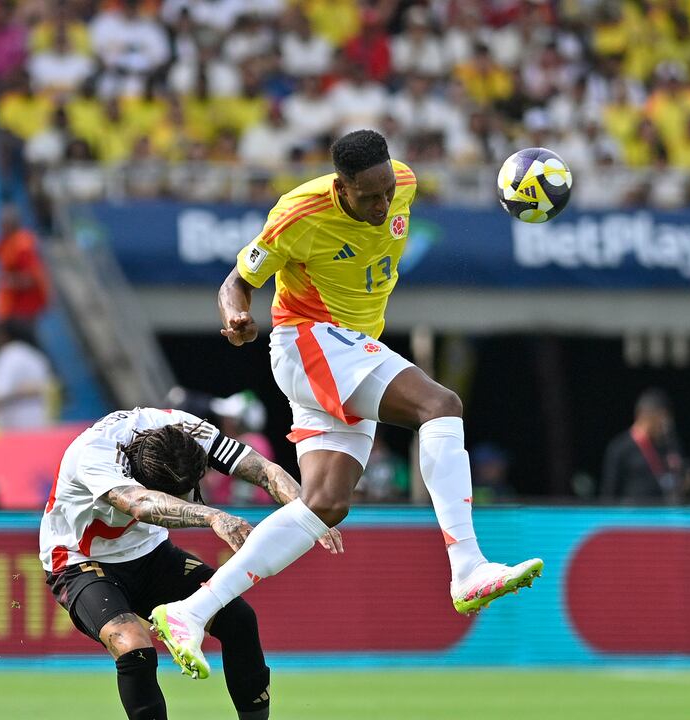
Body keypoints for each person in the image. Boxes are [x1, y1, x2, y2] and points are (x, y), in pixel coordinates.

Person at [153, 129, 543, 680]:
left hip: (348, 350)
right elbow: (236, 281)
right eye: (369, 197)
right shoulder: (298, 214)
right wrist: (236, 315)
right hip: (308, 339)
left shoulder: (403, 182)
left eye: (387, 193)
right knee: (440, 405)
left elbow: (389, 199)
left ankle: (191, 611)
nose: (383, 206)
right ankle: (467, 566)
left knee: (326, 503)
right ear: (341, 186)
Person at [41, 406, 342, 719]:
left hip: (150, 553)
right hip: (80, 561)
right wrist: (213, 516)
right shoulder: (94, 455)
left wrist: (309, 516)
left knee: (238, 619)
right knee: (132, 646)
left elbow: (265, 470)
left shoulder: (184, 429)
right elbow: (140, 504)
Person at [600, 388, 690, 504]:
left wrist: (686, 482)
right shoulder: (620, 447)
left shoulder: (670, 445)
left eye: (666, 417)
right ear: (645, 415)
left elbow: (673, 482)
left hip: (665, 512)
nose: (665, 422)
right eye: (660, 417)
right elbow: (609, 492)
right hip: (633, 513)